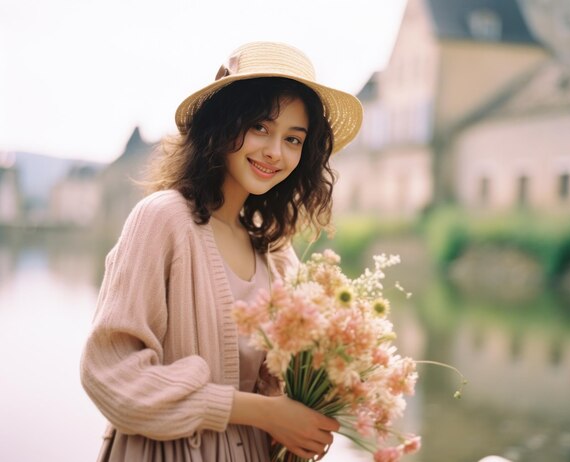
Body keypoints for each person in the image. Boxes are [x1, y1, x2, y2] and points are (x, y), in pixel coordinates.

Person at [80, 41, 363, 462]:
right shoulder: (162, 220)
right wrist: (261, 412)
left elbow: (289, 386)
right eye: (260, 127)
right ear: (223, 124)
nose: (274, 151)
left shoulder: (278, 253)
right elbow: (109, 375)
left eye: (293, 139)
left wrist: (303, 422)